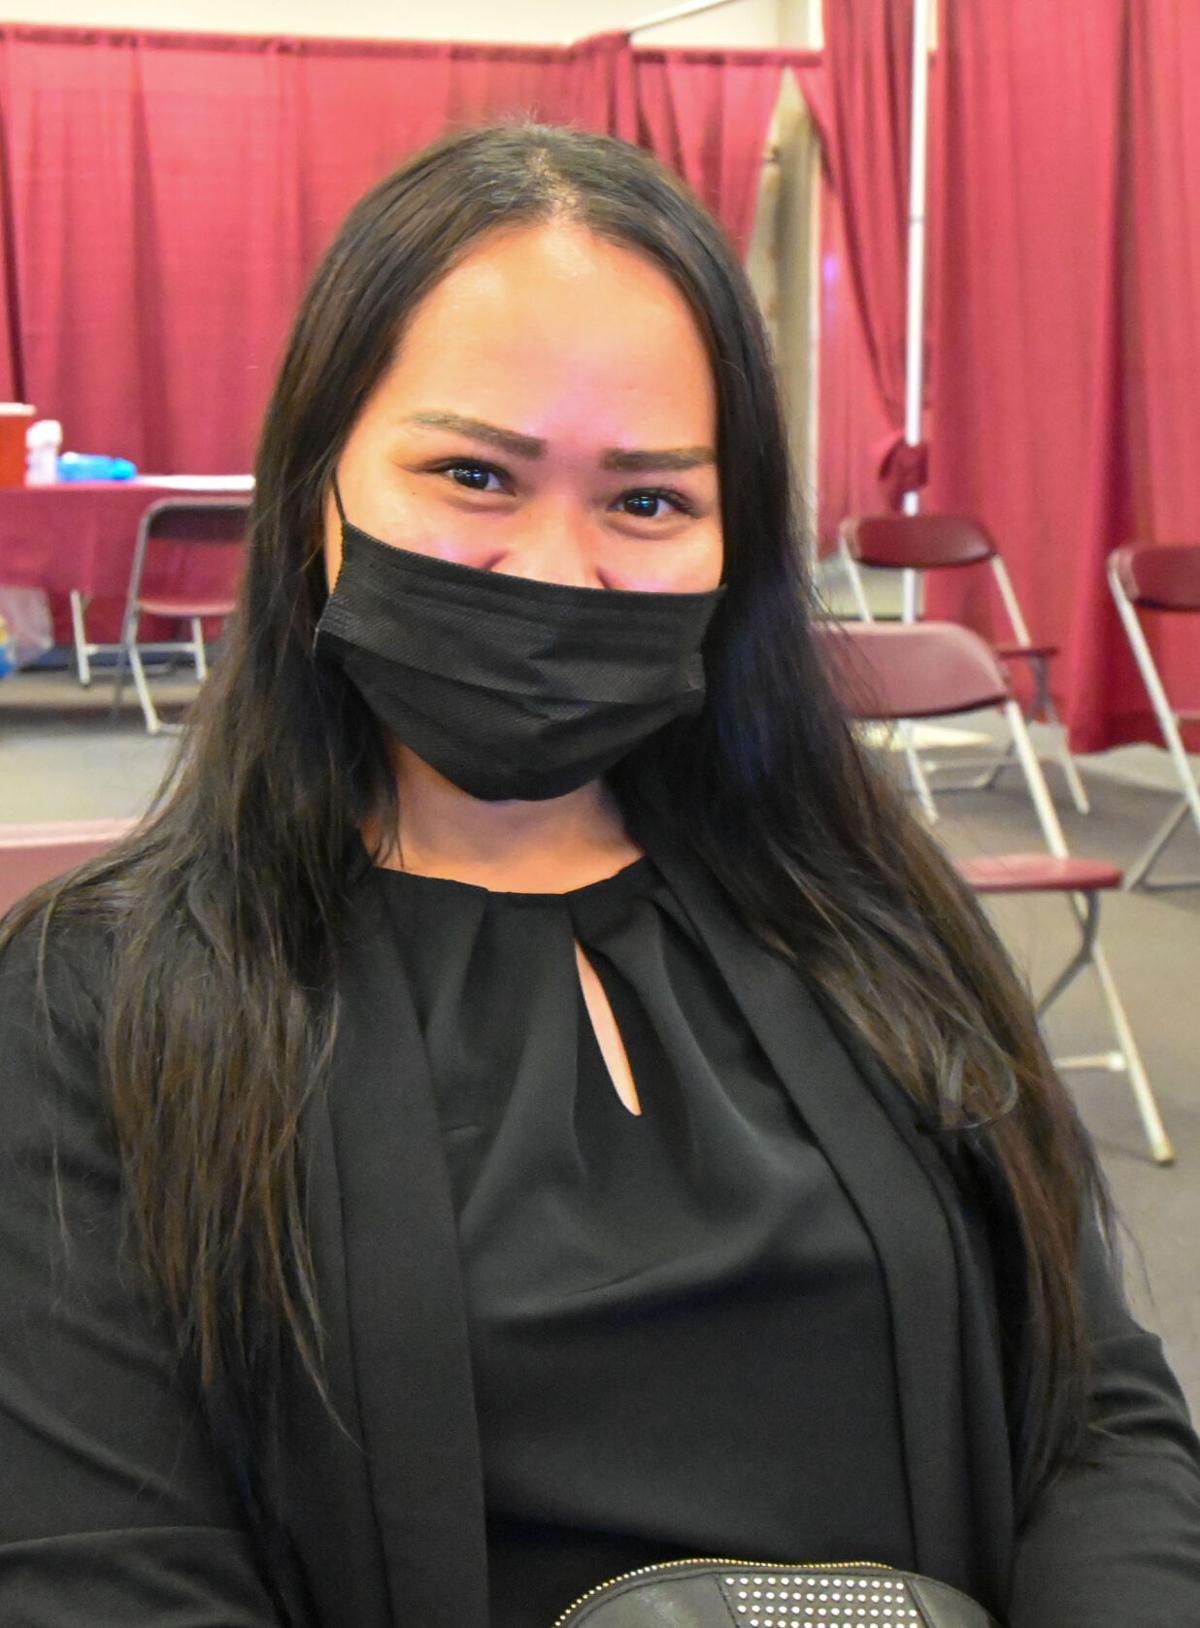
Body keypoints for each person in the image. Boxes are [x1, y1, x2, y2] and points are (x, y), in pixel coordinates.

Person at [0, 123, 1197, 1628]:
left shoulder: (866, 913)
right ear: (317, 495)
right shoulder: (94, 1007)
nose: (562, 573)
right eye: (475, 475)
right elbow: (101, 1578)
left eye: (646, 503)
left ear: (728, 539)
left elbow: (1093, 1418)